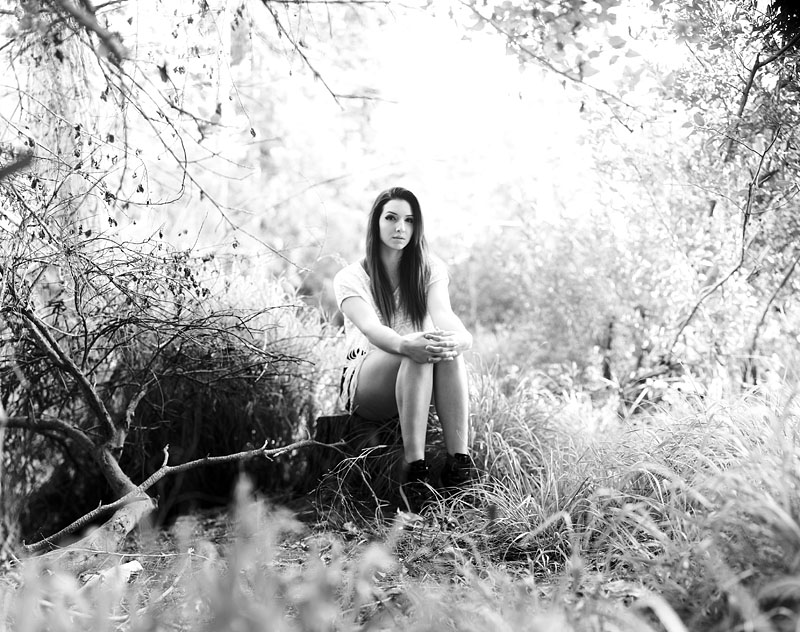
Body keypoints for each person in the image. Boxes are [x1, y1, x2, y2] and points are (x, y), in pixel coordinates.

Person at [333, 186, 474, 513]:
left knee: (443, 347)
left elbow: (444, 315)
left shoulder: (429, 269)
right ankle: (414, 473)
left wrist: (462, 340)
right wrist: (407, 344)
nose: (400, 228)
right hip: (365, 377)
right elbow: (372, 330)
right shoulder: (350, 278)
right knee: (419, 348)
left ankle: (459, 467)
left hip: (417, 370)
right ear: (376, 222)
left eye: (409, 220)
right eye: (391, 218)